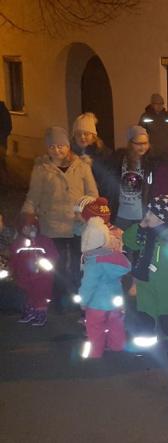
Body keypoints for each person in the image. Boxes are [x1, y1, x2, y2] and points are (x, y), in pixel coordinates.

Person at [22, 127, 98, 311]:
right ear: (47, 148)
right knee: (57, 264)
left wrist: (86, 210)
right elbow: (34, 196)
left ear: (68, 146)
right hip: (53, 224)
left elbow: (92, 193)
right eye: (52, 147)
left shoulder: (82, 166)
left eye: (61, 146)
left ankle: (80, 296)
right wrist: (28, 217)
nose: (57, 150)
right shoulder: (41, 169)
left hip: (77, 224)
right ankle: (60, 298)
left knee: (80, 264)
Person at [123, 195, 168, 356]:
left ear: (162, 218)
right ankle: (144, 344)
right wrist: (140, 226)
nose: (147, 216)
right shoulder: (145, 232)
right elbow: (129, 241)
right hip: (145, 282)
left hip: (167, 286)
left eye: (151, 214)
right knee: (145, 314)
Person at [76, 217, 131, 359]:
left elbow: (88, 284)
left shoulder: (93, 262)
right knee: (116, 324)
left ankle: (96, 352)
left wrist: (83, 301)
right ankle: (117, 346)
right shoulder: (116, 257)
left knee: (95, 328)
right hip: (115, 300)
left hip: (96, 303)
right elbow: (127, 266)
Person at [9, 214, 58, 326]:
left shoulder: (44, 241)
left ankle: (41, 314)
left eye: (32, 227)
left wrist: (48, 266)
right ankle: (31, 312)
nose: (30, 230)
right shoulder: (18, 243)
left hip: (42, 276)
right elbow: (14, 259)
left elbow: (53, 255)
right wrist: (13, 270)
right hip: (25, 275)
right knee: (29, 295)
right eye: (26, 227)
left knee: (40, 295)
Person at [71, 113, 116, 217]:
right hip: (75, 207)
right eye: (78, 134)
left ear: (93, 135)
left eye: (86, 134)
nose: (82, 137)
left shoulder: (105, 154)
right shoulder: (69, 155)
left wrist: (92, 166)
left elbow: (108, 184)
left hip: (97, 206)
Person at [112, 126, 155, 230]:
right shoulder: (119, 159)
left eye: (145, 143)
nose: (142, 147)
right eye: (138, 144)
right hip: (120, 216)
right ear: (130, 143)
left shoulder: (151, 162)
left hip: (141, 217)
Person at [138, 93, 168, 160]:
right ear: (152, 104)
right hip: (152, 153)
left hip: (167, 152)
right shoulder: (146, 116)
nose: (159, 106)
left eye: (161, 104)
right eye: (157, 104)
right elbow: (141, 133)